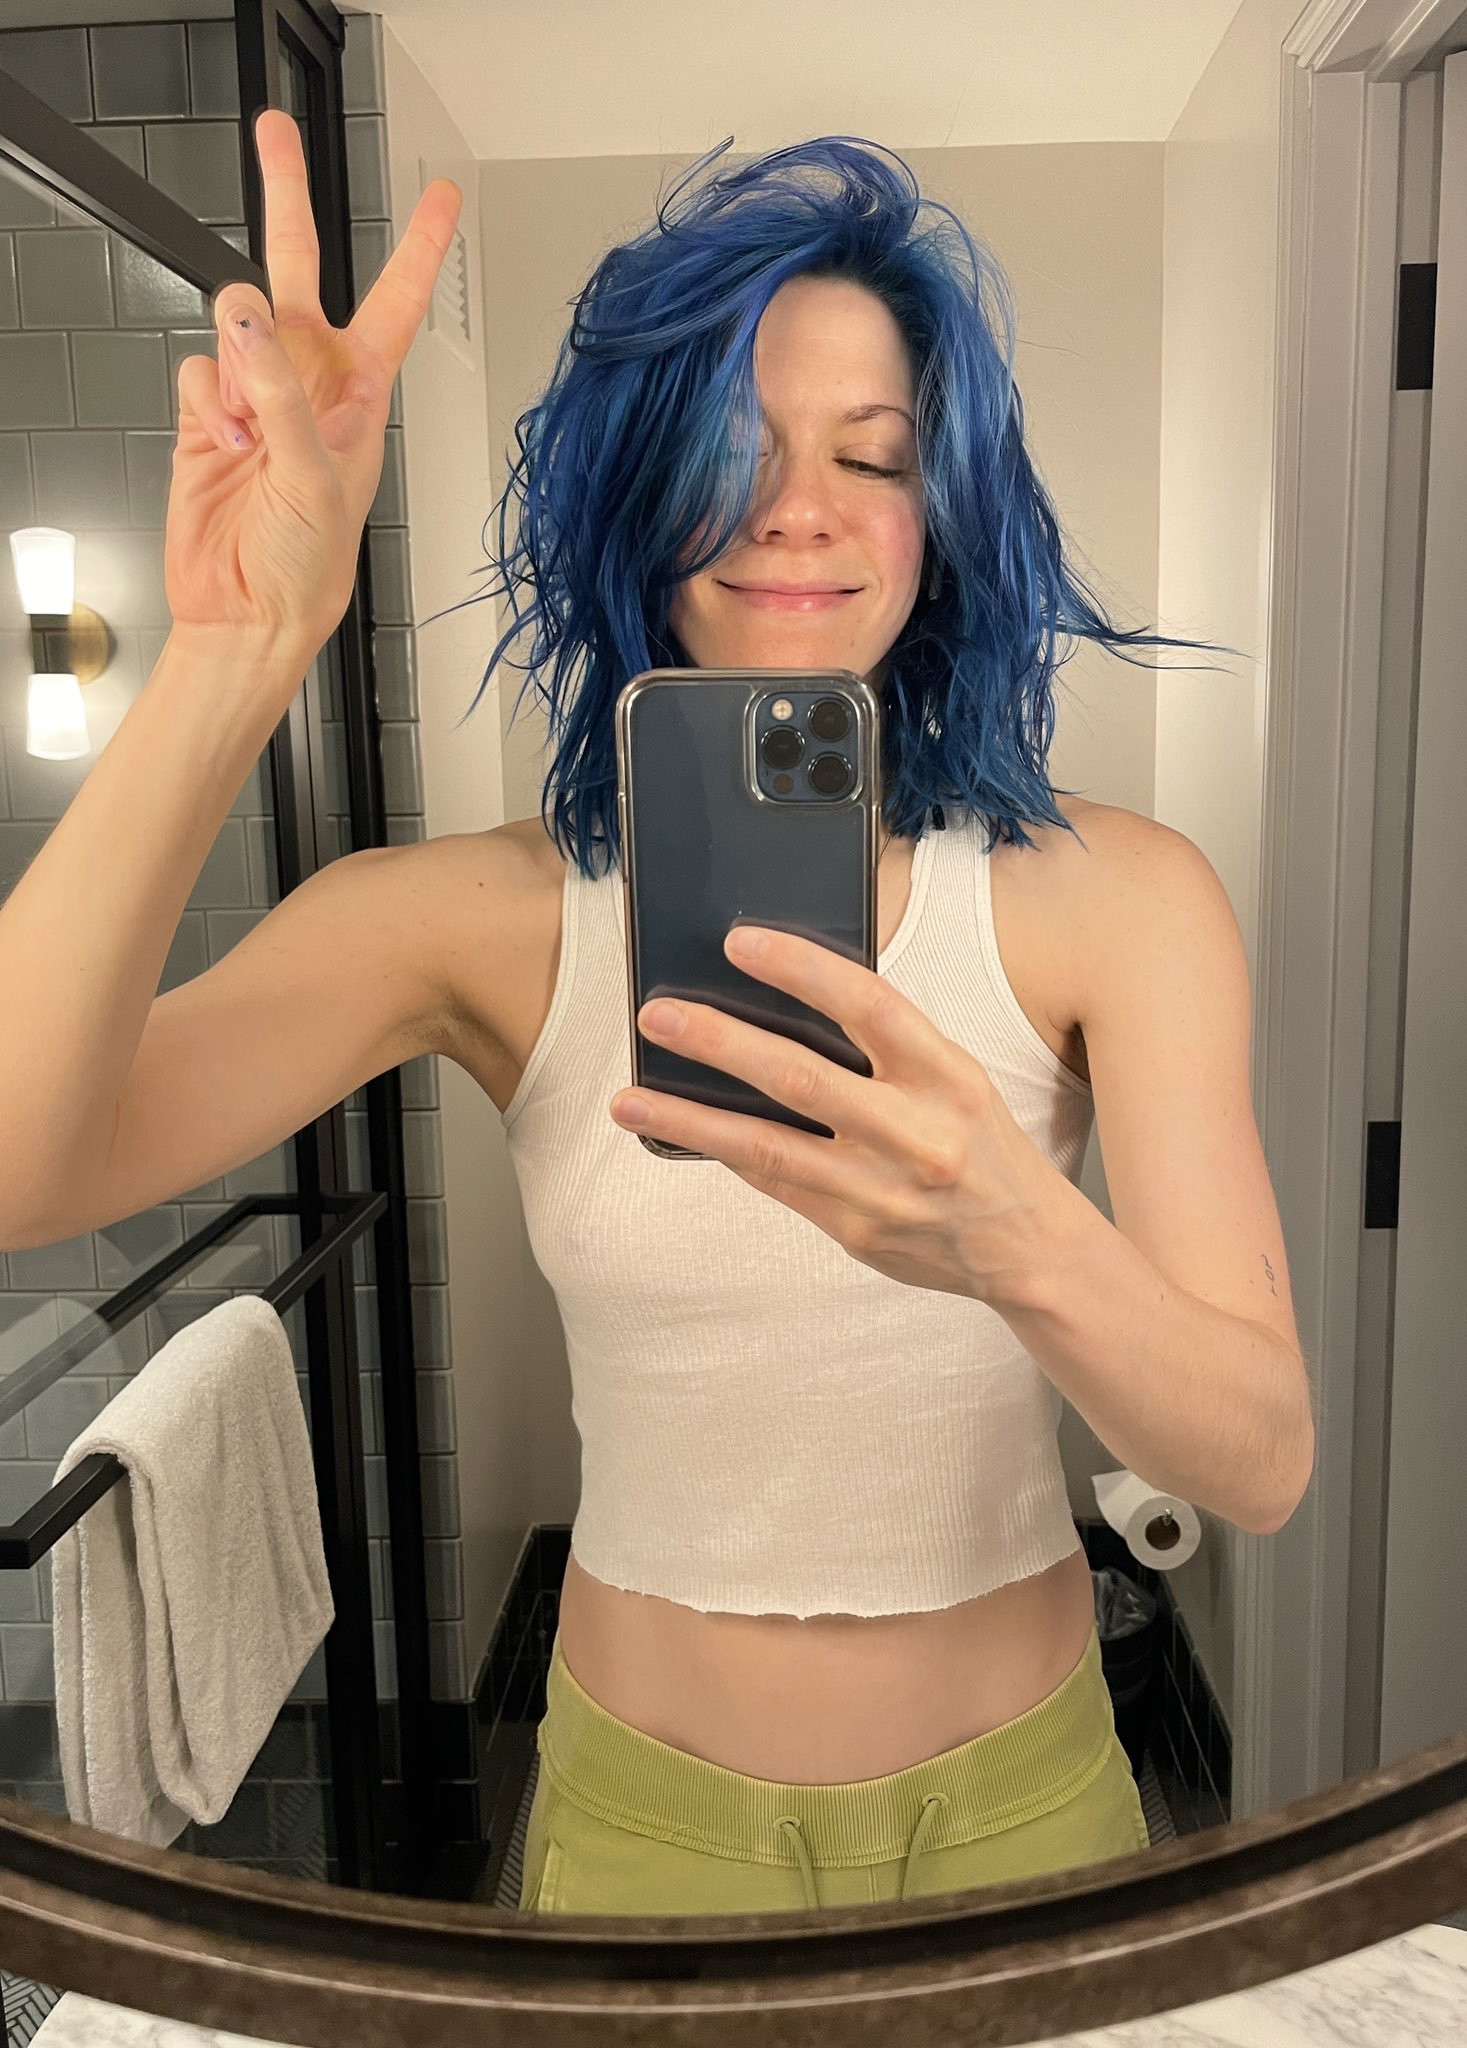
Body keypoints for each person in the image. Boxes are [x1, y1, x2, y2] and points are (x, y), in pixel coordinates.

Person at [0, 110, 1312, 1917]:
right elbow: (21, 1173)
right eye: (729, 449)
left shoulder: (1120, 899)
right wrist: (234, 650)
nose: (798, 508)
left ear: (943, 515)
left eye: (872, 454)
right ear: (634, 495)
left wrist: (1017, 1238)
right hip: (644, 1835)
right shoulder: (466, 921)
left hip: (1030, 1826)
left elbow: (1257, 1458)